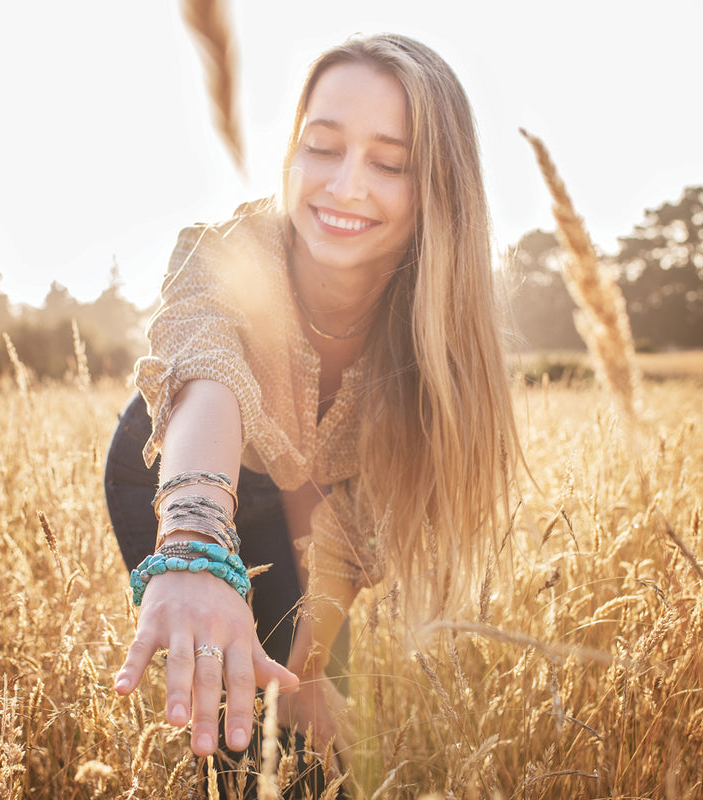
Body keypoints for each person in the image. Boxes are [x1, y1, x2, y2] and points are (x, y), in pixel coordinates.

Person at [106, 31, 519, 783]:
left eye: (390, 163)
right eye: (321, 147)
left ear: (439, 187)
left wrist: (315, 664)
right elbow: (209, 372)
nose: (346, 185)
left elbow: (359, 521)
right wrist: (196, 543)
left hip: (317, 503)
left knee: (312, 744)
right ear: (290, 151)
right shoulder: (228, 252)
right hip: (176, 465)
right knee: (236, 726)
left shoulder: (438, 334)